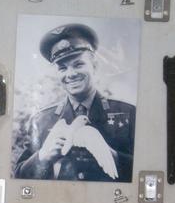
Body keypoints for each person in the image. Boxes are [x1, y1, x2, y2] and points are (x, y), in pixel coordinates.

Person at [14, 23, 136, 182]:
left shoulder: (128, 114)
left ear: (94, 66)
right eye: (62, 68)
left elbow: (147, 169)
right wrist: (42, 157)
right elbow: (19, 179)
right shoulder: (41, 120)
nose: (71, 74)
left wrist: (113, 156)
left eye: (78, 64)